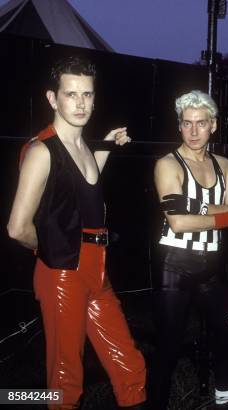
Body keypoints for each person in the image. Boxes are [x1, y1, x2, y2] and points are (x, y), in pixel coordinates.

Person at [7, 56, 146, 409]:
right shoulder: (42, 151)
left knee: (130, 367)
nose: (81, 103)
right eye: (71, 95)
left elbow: (84, 188)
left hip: (96, 270)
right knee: (66, 380)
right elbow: (17, 228)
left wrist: (109, 146)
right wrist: (53, 251)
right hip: (62, 273)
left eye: (87, 94)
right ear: (53, 99)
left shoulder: (85, 147)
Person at [151, 90, 228, 409]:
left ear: (213, 125)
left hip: (212, 264)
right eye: (187, 123)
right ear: (179, 126)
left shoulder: (222, 164)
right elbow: (178, 223)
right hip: (175, 262)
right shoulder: (167, 164)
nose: (193, 131)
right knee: (167, 346)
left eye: (200, 123)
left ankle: (223, 400)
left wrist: (202, 211)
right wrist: (223, 215)